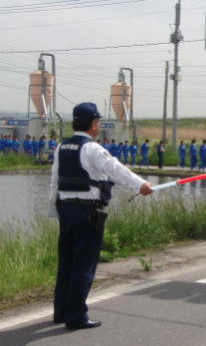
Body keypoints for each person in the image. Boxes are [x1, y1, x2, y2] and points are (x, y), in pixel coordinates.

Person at [47, 102, 153, 329]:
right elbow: (115, 168)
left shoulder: (61, 147)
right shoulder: (91, 148)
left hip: (66, 211)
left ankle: (62, 312)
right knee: (84, 264)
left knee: (66, 261)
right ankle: (76, 317)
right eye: (98, 121)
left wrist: (55, 211)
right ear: (94, 124)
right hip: (87, 212)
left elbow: (54, 182)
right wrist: (141, 185)